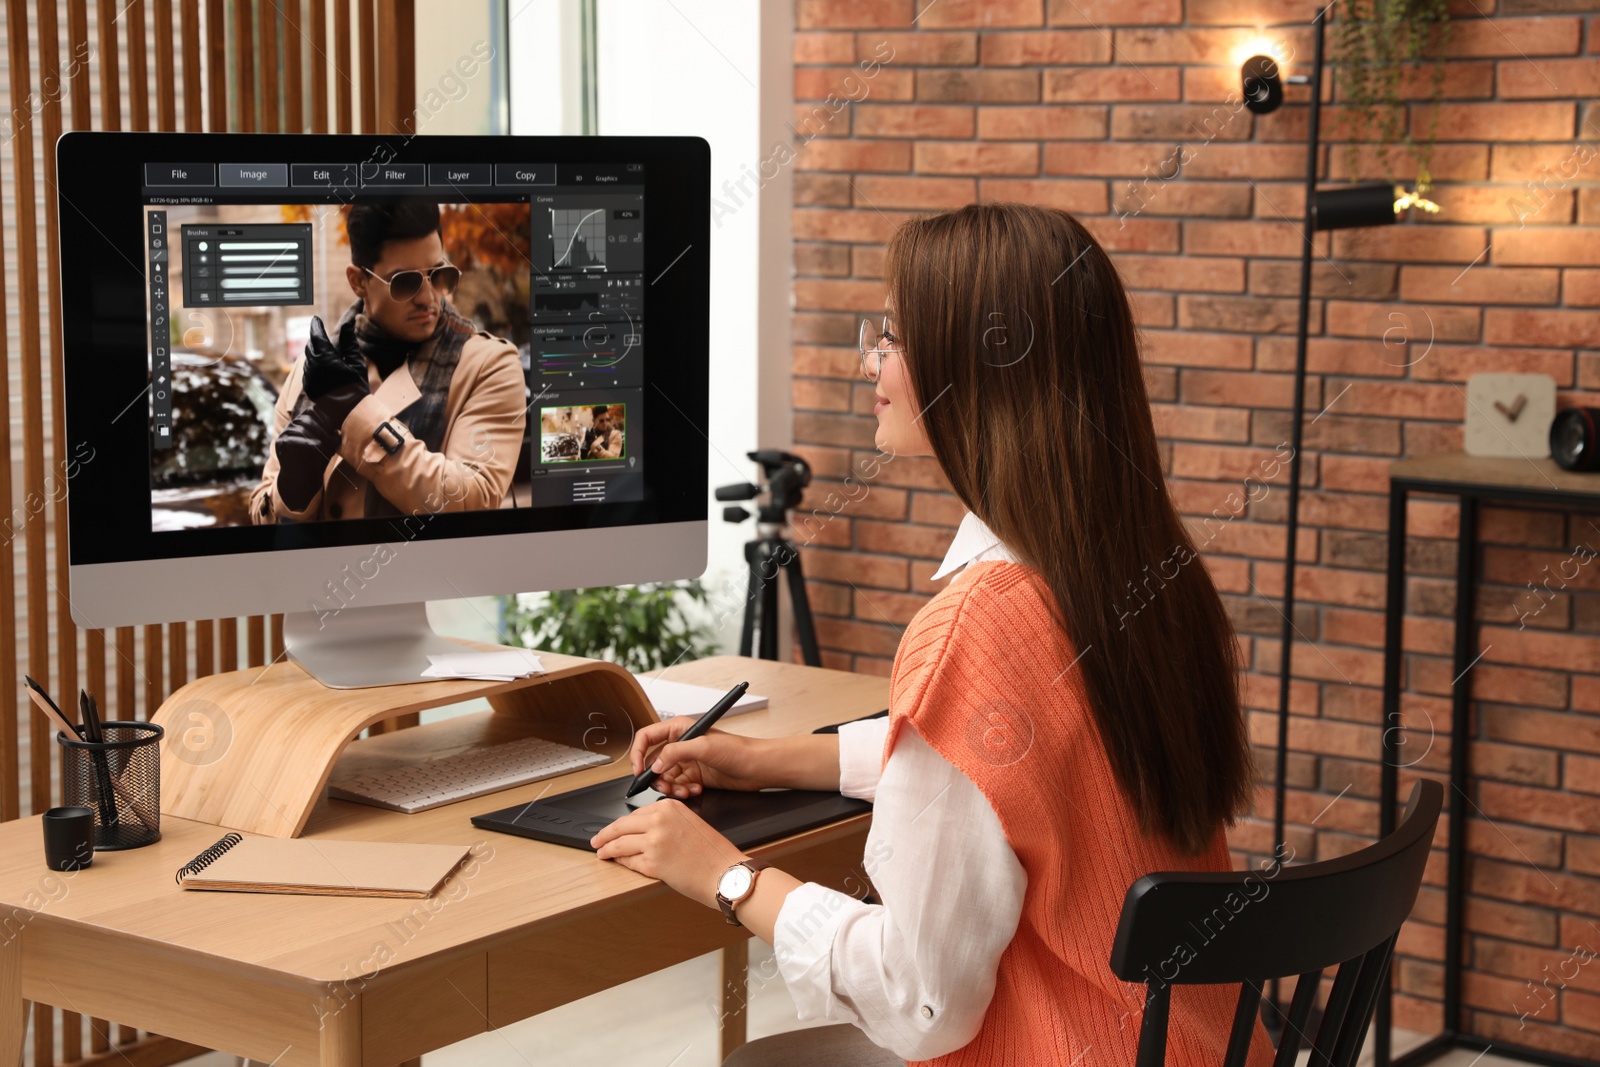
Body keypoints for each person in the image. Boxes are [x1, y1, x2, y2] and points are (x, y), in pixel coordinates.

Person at [588, 203, 1273, 1067]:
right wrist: (767, 760)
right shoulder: (1149, 574)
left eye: (898, 337)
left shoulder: (977, 623)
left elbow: (923, 1001)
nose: (871, 358)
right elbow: (1018, 759)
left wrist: (728, 876)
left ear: (980, 371)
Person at [251, 200, 525, 524]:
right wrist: (293, 490)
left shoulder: (489, 366)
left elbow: (473, 500)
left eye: (438, 275)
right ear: (358, 281)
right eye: (405, 282)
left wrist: (355, 412)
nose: (428, 298)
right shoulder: (309, 371)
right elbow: (263, 512)